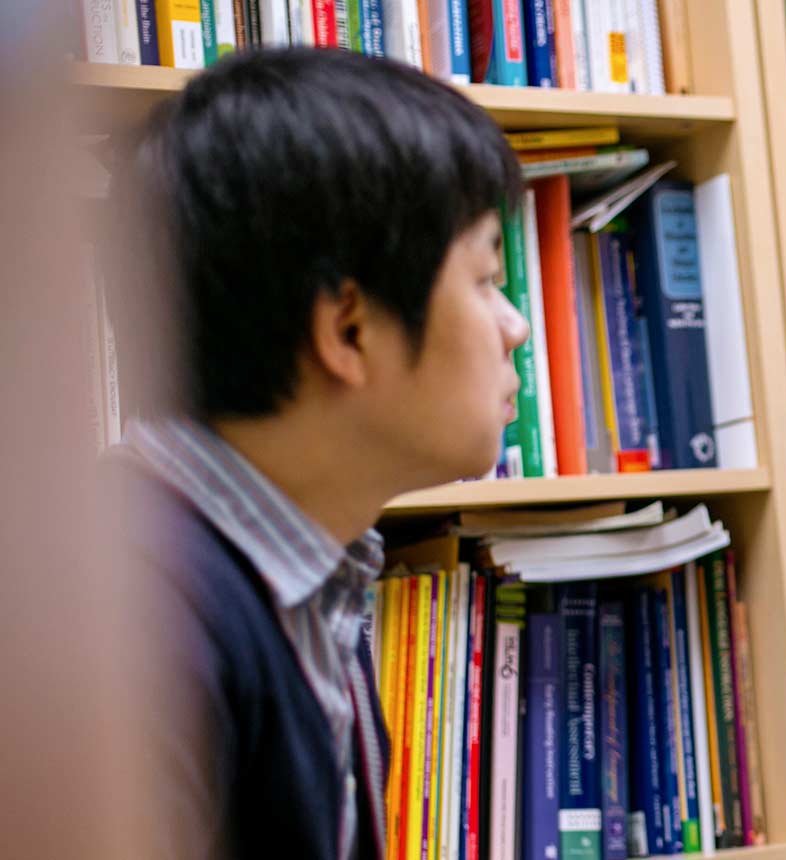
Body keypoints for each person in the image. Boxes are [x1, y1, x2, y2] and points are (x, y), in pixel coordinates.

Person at [108, 49, 529, 859]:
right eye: (485, 279)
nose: (515, 325)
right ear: (347, 329)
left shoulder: (304, 576)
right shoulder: (134, 621)